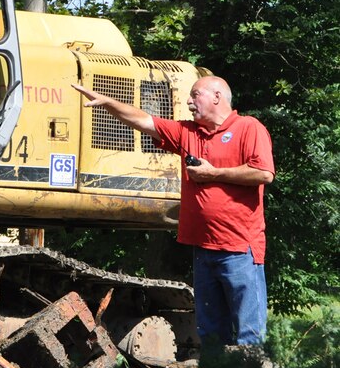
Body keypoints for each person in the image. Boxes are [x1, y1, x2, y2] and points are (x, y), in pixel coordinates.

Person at [72, 76, 274, 346]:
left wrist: (212, 173)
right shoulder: (187, 132)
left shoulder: (248, 128)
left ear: (217, 96)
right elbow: (143, 120)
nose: (188, 101)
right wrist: (108, 102)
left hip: (239, 249)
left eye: (195, 94)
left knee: (250, 336)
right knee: (211, 334)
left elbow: (263, 173)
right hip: (203, 250)